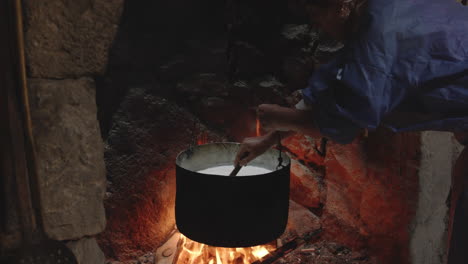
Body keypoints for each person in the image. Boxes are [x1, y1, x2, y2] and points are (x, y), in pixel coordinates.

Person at [234, 0, 468, 263]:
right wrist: (265, 141)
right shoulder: (380, 13)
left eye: (316, 13)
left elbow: (346, 123)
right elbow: (327, 91)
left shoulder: (377, 38)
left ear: (342, 6)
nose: (316, 24)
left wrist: (282, 117)